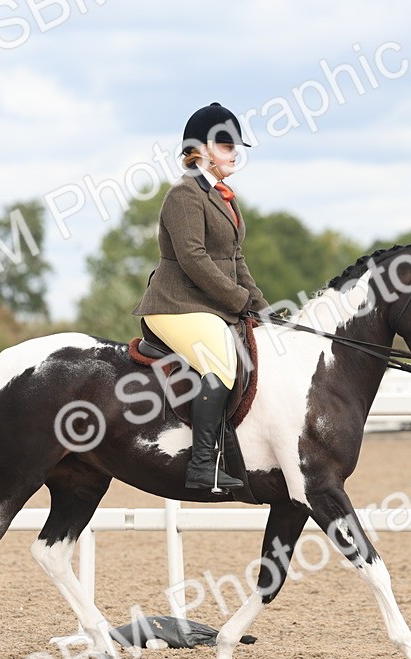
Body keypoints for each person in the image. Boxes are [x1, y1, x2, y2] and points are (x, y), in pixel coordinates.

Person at [132, 102, 271, 492]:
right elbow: (194, 258)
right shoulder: (184, 195)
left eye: (235, 146)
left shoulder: (224, 196)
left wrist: (261, 307)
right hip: (174, 305)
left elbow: (235, 258)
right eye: (227, 145)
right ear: (202, 149)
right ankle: (202, 465)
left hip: (208, 305)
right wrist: (237, 300)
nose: (234, 153)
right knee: (222, 363)